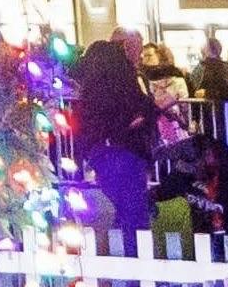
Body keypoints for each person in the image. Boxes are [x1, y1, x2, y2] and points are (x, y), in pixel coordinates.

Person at [67, 32, 167, 242]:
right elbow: (132, 116)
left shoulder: (91, 88)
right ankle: (133, 259)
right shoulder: (121, 80)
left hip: (101, 152)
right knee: (133, 215)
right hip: (124, 153)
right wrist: (152, 110)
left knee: (118, 211)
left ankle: (120, 256)